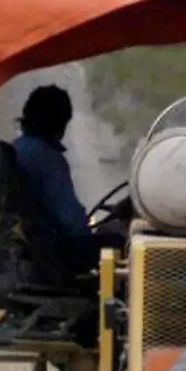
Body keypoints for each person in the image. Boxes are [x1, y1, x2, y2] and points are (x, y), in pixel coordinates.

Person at [7, 85, 117, 278]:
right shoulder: (47, 158)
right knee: (119, 243)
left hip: (22, 248)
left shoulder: (15, 149)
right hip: (46, 252)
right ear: (60, 124)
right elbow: (71, 221)